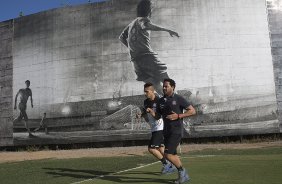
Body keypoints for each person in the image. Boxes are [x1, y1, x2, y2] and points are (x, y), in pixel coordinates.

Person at [119, 0, 179, 95]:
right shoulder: (143, 19)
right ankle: (178, 104)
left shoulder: (131, 24)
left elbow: (122, 37)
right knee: (167, 82)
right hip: (147, 58)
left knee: (157, 87)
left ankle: (168, 106)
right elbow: (145, 25)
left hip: (136, 63)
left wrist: (132, 48)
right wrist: (167, 30)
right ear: (149, 10)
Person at [147, 78, 196, 184]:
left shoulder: (178, 98)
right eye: (163, 86)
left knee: (167, 154)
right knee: (171, 155)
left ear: (172, 87)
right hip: (166, 132)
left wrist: (178, 115)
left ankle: (183, 173)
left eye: (166, 86)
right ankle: (182, 175)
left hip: (176, 131)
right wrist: (151, 111)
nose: (164, 88)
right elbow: (158, 116)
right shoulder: (161, 101)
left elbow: (192, 111)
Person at [137, 82, 176, 174]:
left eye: (147, 91)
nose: (145, 93)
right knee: (160, 148)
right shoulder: (146, 102)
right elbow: (145, 111)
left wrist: (151, 111)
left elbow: (158, 116)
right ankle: (171, 165)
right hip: (154, 128)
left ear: (152, 91)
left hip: (160, 127)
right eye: (144, 91)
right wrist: (141, 114)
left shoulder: (159, 101)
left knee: (151, 149)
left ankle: (166, 164)